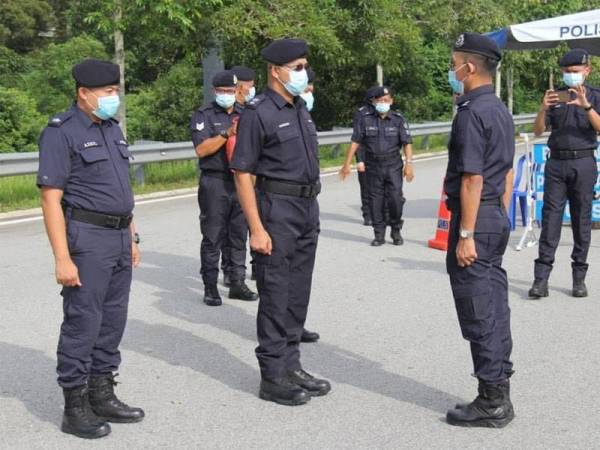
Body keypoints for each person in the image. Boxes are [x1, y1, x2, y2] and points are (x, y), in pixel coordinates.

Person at [37, 58, 144, 439]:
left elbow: (120, 191)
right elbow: (51, 199)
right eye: (108, 92)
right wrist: (62, 257)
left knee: (112, 320)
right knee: (84, 322)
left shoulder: (112, 129)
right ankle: (75, 406)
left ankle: (103, 393)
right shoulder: (60, 132)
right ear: (84, 94)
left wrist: (131, 234)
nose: (115, 98)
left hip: (117, 237)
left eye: (116, 91)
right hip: (87, 238)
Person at [231, 38, 331, 406]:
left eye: (304, 66)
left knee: (297, 290)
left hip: (307, 208)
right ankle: (272, 375)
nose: (303, 73)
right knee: (275, 291)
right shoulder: (259, 113)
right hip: (277, 209)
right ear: (276, 71)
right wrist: (256, 228)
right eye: (297, 66)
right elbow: (242, 173)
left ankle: (292, 364)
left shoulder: (301, 107)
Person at [443, 33, 515, 428]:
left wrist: (467, 233)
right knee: (494, 305)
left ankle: (491, 400)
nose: (452, 71)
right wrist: (495, 215)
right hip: (492, 215)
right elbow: (504, 170)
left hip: (475, 219)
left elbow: (472, 178)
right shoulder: (499, 109)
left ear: (469, 68)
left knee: (479, 308)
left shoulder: (472, 112)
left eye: (454, 64)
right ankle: (498, 388)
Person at [528, 48, 600, 299]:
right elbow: (537, 131)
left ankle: (578, 279)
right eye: (566, 72)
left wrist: (587, 106)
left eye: (575, 72)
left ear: (587, 71)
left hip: (583, 163)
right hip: (557, 163)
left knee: (582, 222)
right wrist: (542, 109)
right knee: (550, 220)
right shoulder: (554, 96)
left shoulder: (595, 96)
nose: (570, 76)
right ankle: (541, 279)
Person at [190, 70, 258, 306]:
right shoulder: (204, 115)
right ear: (215, 91)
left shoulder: (246, 113)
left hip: (240, 181)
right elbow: (201, 149)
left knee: (239, 234)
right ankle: (210, 286)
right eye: (223, 91)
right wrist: (226, 133)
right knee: (213, 235)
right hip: (215, 181)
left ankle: (237, 282)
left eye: (232, 91)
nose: (228, 95)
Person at [340, 86, 414, 246]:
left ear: (391, 101)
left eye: (386, 100)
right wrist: (347, 164)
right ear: (374, 102)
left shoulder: (398, 119)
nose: (383, 103)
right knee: (375, 201)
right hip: (373, 166)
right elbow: (355, 142)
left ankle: (395, 229)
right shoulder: (366, 119)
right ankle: (379, 234)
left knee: (395, 199)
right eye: (380, 101)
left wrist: (409, 164)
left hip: (393, 165)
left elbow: (407, 143)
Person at [221, 65, 257, 289]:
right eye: (249, 87)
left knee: (248, 225)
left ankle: (248, 268)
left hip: (251, 177)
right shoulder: (220, 113)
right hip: (225, 178)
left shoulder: (252, 112)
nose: (251, 91)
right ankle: (230, 270)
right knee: (229, 229)